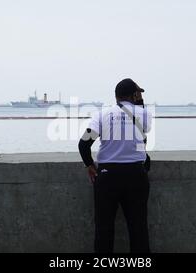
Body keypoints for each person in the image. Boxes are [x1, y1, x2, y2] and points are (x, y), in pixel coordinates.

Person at [78, 78, 152, 253]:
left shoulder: (101, 115)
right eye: (138, 93)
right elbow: (143, 135)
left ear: (116, 96)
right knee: (138, 229)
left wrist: (89, 165)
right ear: (135, 95)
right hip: (136, 175)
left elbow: (83, 145)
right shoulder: (144, 114)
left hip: (107, 176)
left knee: (104, 229)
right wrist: (140, 101)